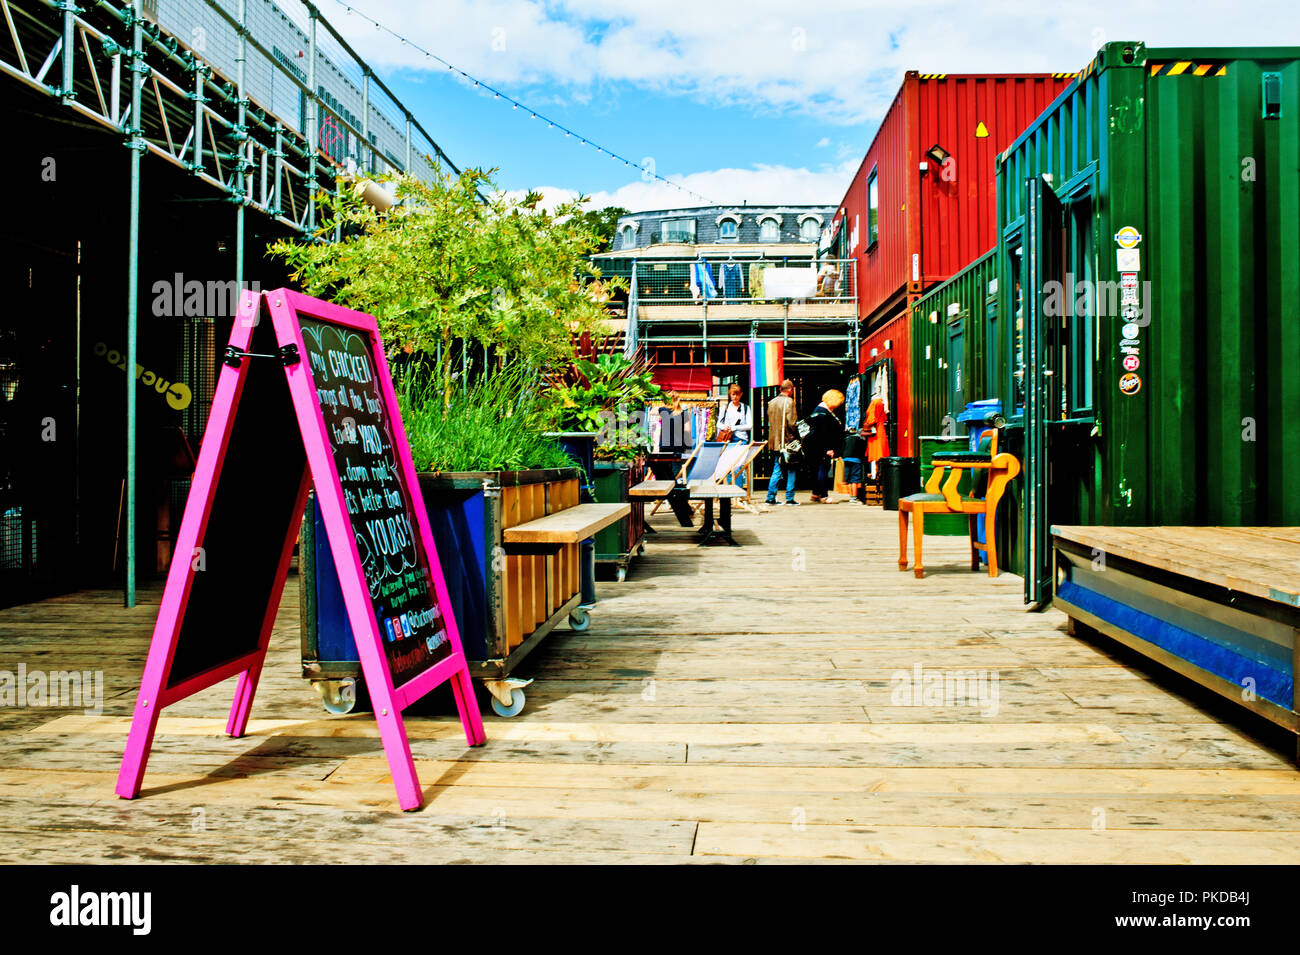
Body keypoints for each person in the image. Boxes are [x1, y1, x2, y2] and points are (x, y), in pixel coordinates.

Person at [805, 389, 845, 503]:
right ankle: (823, 495)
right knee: (822, 469)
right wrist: (828, 448)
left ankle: (816, 493)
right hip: (822, 447)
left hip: (816, 446)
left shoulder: (819, 410)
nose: (838, 405)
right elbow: (823, 432)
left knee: (818, 469)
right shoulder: (823, 412)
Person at [765, 379, 799, 506]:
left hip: (775, 441)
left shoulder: (771, 402)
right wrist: (798, 437)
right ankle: (789, 498)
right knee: (792, 468)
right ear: (790, 389)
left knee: (777, 469)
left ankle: (770, 497)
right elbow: (792, 423)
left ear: (781, 389)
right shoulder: (789, 402)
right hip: (787, 441)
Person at [716, 383, 752, 486]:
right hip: (728, 439)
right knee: (728, 465)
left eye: (737, 394)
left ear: (741, 394)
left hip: (741, 439)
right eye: (733, 394)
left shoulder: (746, 408)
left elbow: (749, 425)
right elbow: (719, 423)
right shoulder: (725, 408)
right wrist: (725, 427)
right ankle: (729, 490)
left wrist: (735, 427)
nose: (735, 397)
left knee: (738, 466)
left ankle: (738, 491)